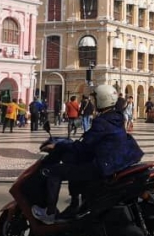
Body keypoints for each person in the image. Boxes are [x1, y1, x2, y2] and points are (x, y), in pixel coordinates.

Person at [32, 84, 144, 225]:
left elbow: (84, 145)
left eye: (96, 99)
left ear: (102, 100)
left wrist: (58, 145)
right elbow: (94, 142)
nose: (95, 102)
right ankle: (76, 205)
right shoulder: (117, 117)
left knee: (55, 172)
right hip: (116, 161)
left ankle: (50, 213)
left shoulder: (102, 122)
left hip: (103, 166)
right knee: (74, 163)